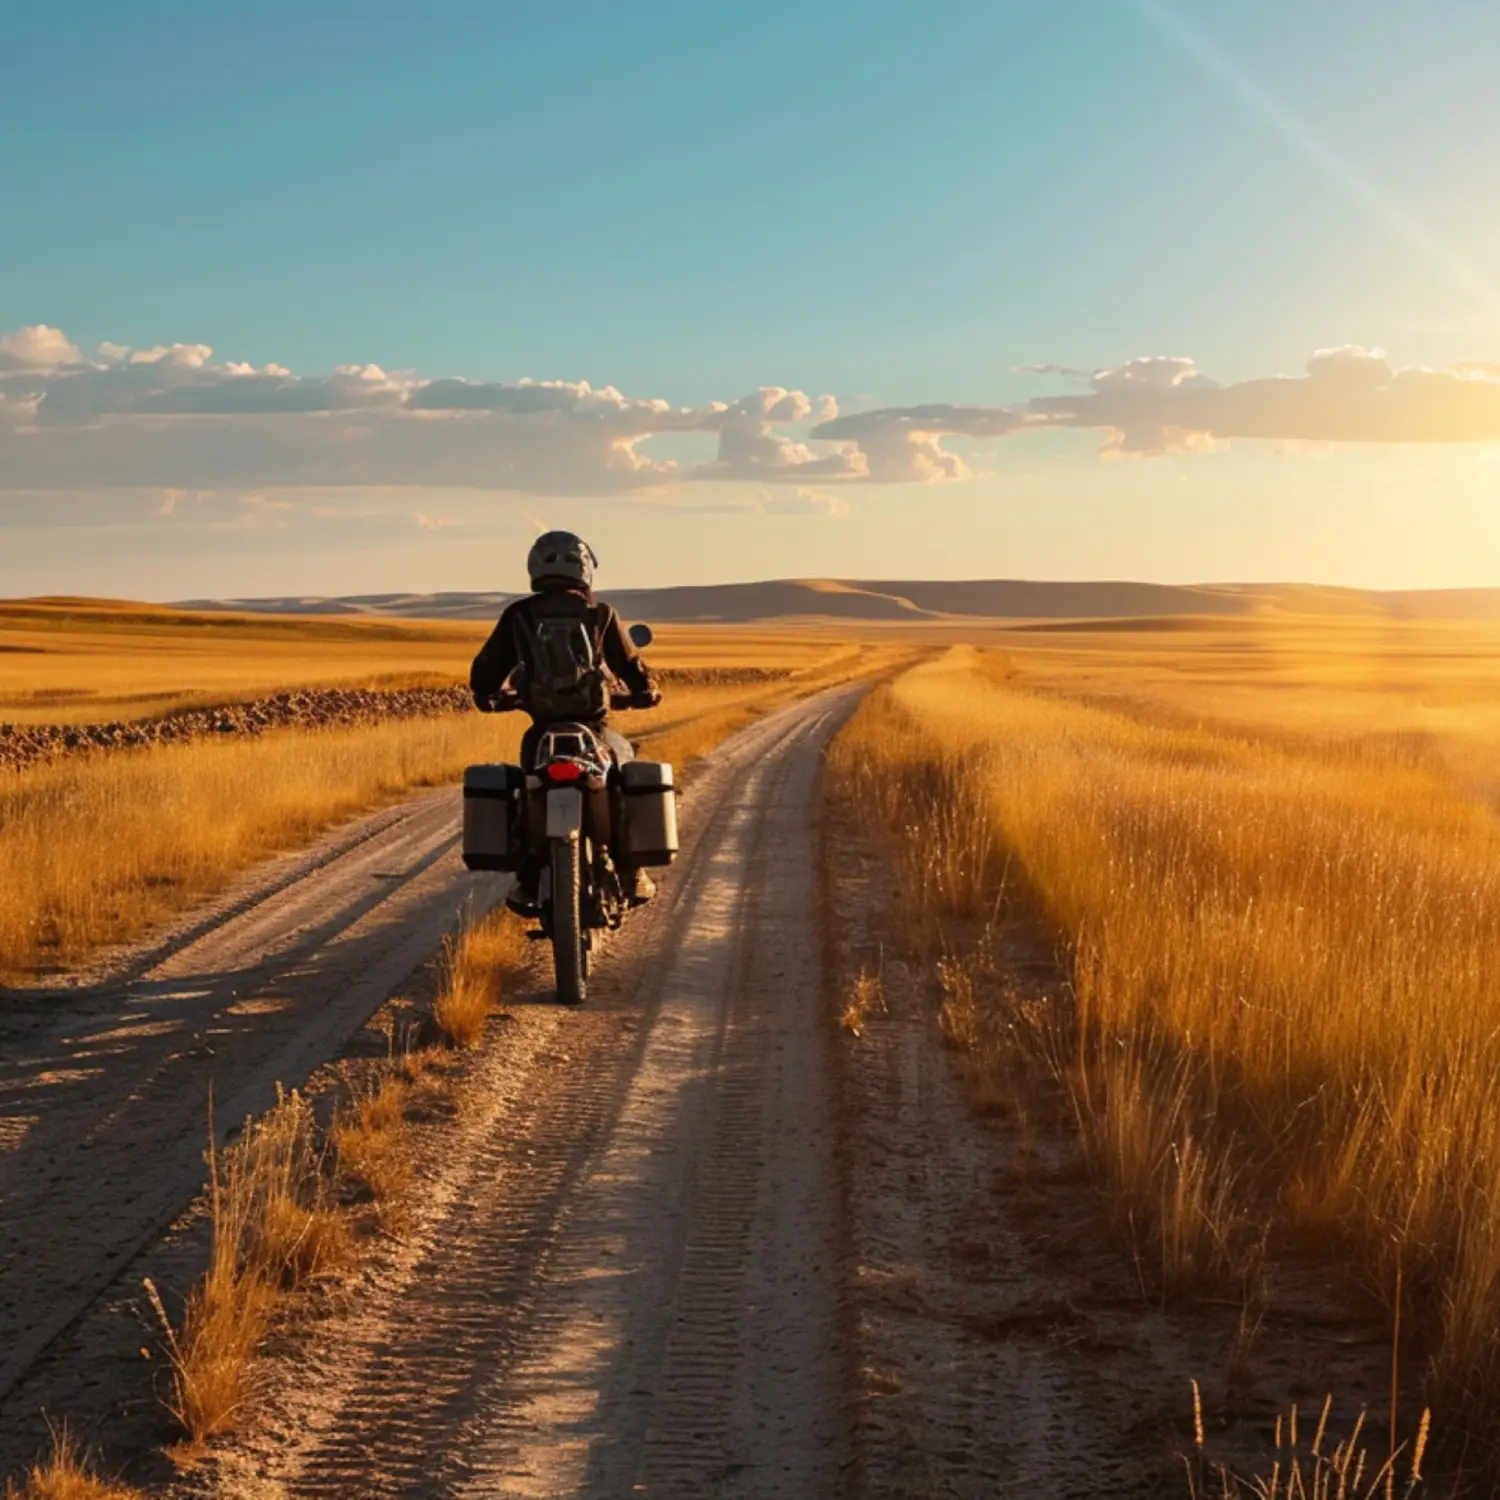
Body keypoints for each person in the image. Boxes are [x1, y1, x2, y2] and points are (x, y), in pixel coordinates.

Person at [469, 530, 660, 912]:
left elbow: (483, 676)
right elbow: (633, 669)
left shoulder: (518, 615)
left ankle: (526, 879)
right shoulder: (601, 615)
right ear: (585, 570)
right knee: (621, 771)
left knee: (526, 784)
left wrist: (494, 698)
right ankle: (633, 869)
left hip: (542, 731)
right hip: (594, 728)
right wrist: (645, 692)